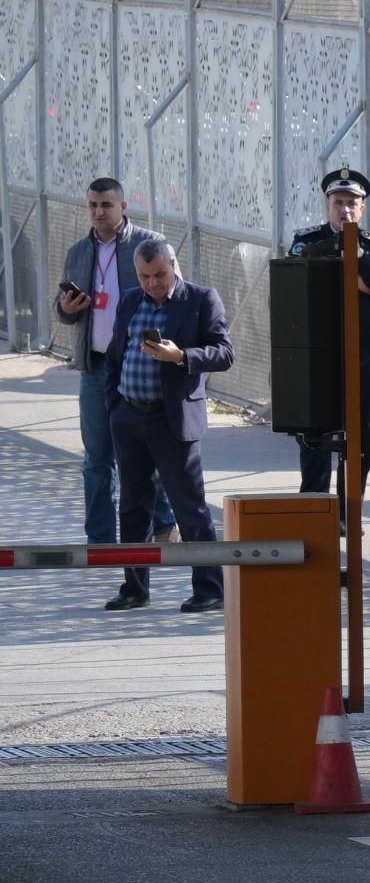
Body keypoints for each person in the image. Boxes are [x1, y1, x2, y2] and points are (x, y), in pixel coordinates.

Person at [102, 237, 234, 614]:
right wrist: (115, 405)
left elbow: (224, 353)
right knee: (132, 506)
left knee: (188, 507)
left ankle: (209, 588)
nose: (153, 283)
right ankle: (134, 586)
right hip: (129, 415)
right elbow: (116, 356)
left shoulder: (200, 299)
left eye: (159, 274)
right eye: (145, 276)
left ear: (173, 266)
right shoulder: (129, 301)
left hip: (171, 419)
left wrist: (181, 356)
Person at [54, 178, 177, 549]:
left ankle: (162, 526)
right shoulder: (78, 251)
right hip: (95, 367)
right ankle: (100, 541)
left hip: (138, 367)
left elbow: (175, 295)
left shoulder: (148, 244)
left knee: (144, 452)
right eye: (92, 204)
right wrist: (65, 309)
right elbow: (60, 308)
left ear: (123, 207)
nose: (98, 212)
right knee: (96, 458)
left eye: (106, 204)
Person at [288, 167, 370, 496]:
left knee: (363, 435)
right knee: (315, 436)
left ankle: (347, 511)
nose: (345, 210)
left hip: (365, 355)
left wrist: (358, 256)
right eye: (338, 202)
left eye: (352, 203)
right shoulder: (307, 242)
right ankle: (314, 509)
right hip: (319, 354)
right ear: (328, 205)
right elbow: (296, 287)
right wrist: (356, 282)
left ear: (362, 207)